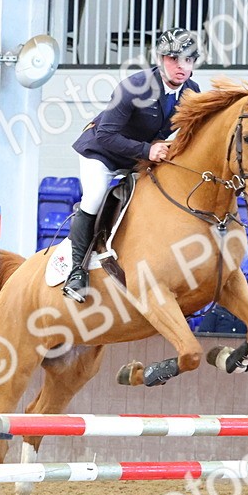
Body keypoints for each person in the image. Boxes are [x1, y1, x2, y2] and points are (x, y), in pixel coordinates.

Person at [64, 28, 202, 302]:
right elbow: (105, 134)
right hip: (102, 153)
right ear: (161, 59)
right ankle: (77, 271)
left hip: (140, 158)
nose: (181, 67)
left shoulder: (192, 92)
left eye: (188, 60)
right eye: (174, 59)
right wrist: (147, 149)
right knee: (93, 198)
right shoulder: (133, 87)